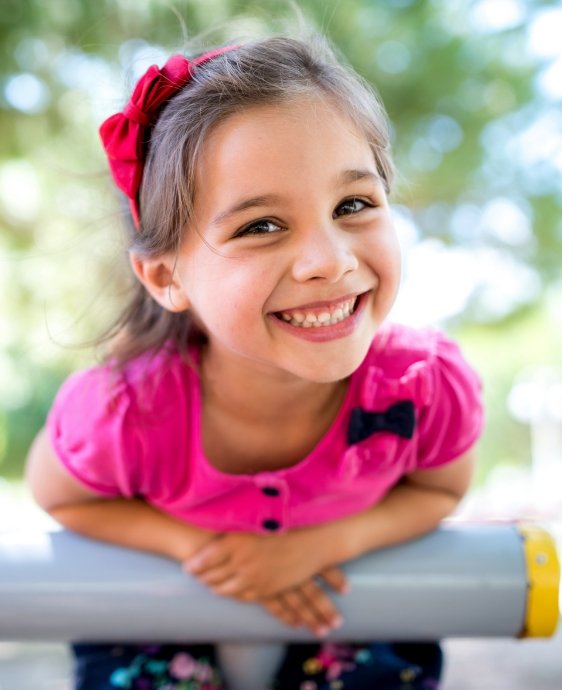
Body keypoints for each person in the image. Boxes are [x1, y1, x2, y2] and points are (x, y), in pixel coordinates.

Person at [25, 33, 483, 690]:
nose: (329, 260)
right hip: (163, 623)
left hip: (344, 613)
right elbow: (60, 496)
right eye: (260, 225)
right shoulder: (124, 414)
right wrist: (199, 553)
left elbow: (441, 489)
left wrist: (322, 546)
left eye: (352, 204)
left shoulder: (423, 389)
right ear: (165, 275)